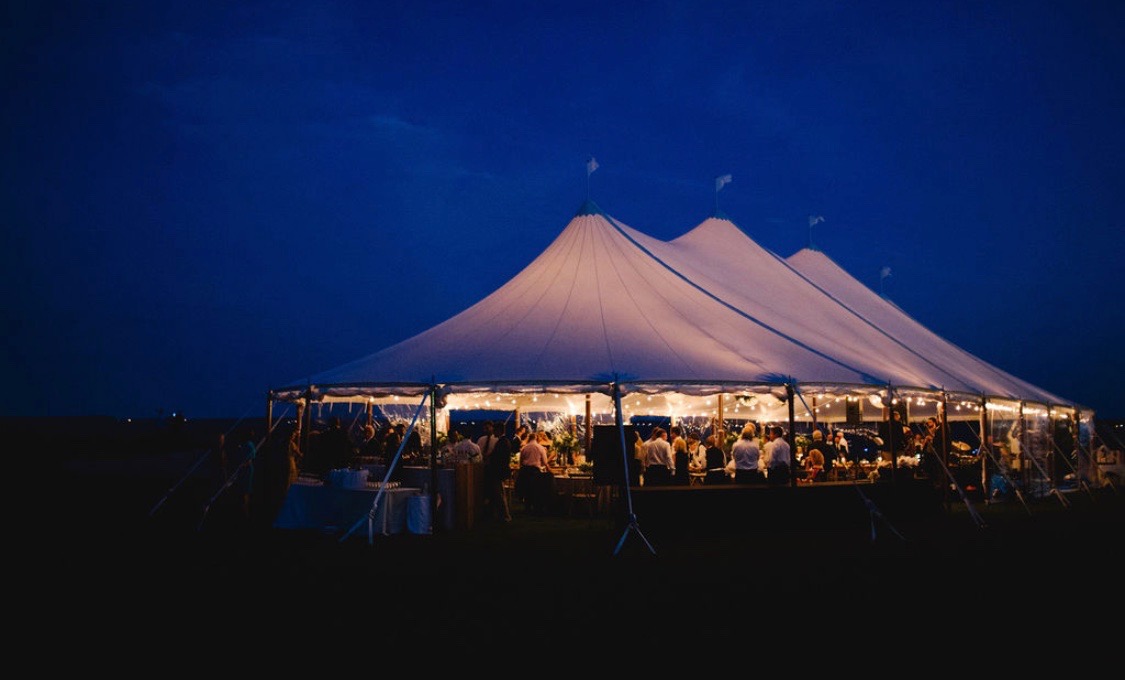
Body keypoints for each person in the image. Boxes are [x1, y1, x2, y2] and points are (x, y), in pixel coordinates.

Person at [483, 421, 513, 522]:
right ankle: (501, 515)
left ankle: (505, 516)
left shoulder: (502, 442)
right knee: (498, 493)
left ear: (499, 430)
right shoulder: (504, 441)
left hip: (498, 472)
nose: (493, 432)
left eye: (495, 430)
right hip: (499, 471)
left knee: (499, 494)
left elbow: (499, 458)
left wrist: (490, 457)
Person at [516, 429, 552, 514]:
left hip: (525, 470)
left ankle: (527, 507)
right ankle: (537, 508)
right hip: (535, 471)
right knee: (536, 490)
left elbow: (520, 462)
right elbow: (545, 462)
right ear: (536, 438)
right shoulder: (540, 448)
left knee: (527, 490)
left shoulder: (524, 448)